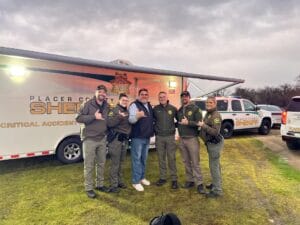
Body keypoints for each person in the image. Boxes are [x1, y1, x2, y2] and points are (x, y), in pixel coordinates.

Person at [75, 85, 109, 199]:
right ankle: (89, 188)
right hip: (89, 139)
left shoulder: (106, 106)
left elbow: (108, 120)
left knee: (101, 163)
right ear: (96, 93)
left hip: (102, 138)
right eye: (100, 92)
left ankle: (100, 184)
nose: (102, 94)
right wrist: (93, 117)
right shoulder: (87, 104)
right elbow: (78, 118)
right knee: (89, 165)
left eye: (104, 92)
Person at [177, 91, 205, 194]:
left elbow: (199, 123)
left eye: (186, 96)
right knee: (186, 161)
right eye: (182, 96)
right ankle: (190, 180)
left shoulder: (195, 109)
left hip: (192, 139)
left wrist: (188, 122)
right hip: (182, 139)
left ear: (189, 97)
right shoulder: (179, 110)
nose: (184, 98)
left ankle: (200, 183)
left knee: (195, 162)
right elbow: (178, 122)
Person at [198, 96, 224, 198]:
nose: (208, 104)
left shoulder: (216, 115)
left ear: (215, 103)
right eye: (207, 103)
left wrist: (203, 126)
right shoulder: (208, 114)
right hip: (210, 143)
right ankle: (216, 183)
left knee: (214, 167)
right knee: (216, 165)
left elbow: (215, 132)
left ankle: (217, 190)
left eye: (210, 103)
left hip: (215, 144)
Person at [128, 88, 154, 191]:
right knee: (137, 160)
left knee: (143, 159)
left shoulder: (148, 106)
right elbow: (131, 120)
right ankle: (135, 181)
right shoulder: (134, 105)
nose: (144, 96)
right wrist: (137, 116)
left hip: (146, 137)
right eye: (142, 94)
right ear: (138, 96)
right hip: (137, 137)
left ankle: (142, 177)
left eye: (146, 94)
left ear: (148, 96)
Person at [106, 93, 131, 193]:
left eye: (126, 100)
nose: (125, 102)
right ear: (119, 100)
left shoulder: (127, 111)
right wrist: (119, 117)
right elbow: (109, 123)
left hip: (124, 140)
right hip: (116, 140)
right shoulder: (114, 110)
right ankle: (113, 185)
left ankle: (119, 181)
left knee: (121, 162)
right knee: (115, 163)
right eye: (123, 100)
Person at [153, 91, 178, 189]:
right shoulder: (155, 109)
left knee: (171, 158)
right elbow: (152, 121)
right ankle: (162, 177)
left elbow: (179, 120)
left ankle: (174, 179)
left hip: (170, 137)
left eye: (163, 96)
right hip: (159, 137)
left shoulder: (173, 108)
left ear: (167, 97)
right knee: (161, 158)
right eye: (160, 97)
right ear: (158, 98)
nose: (162, 98)